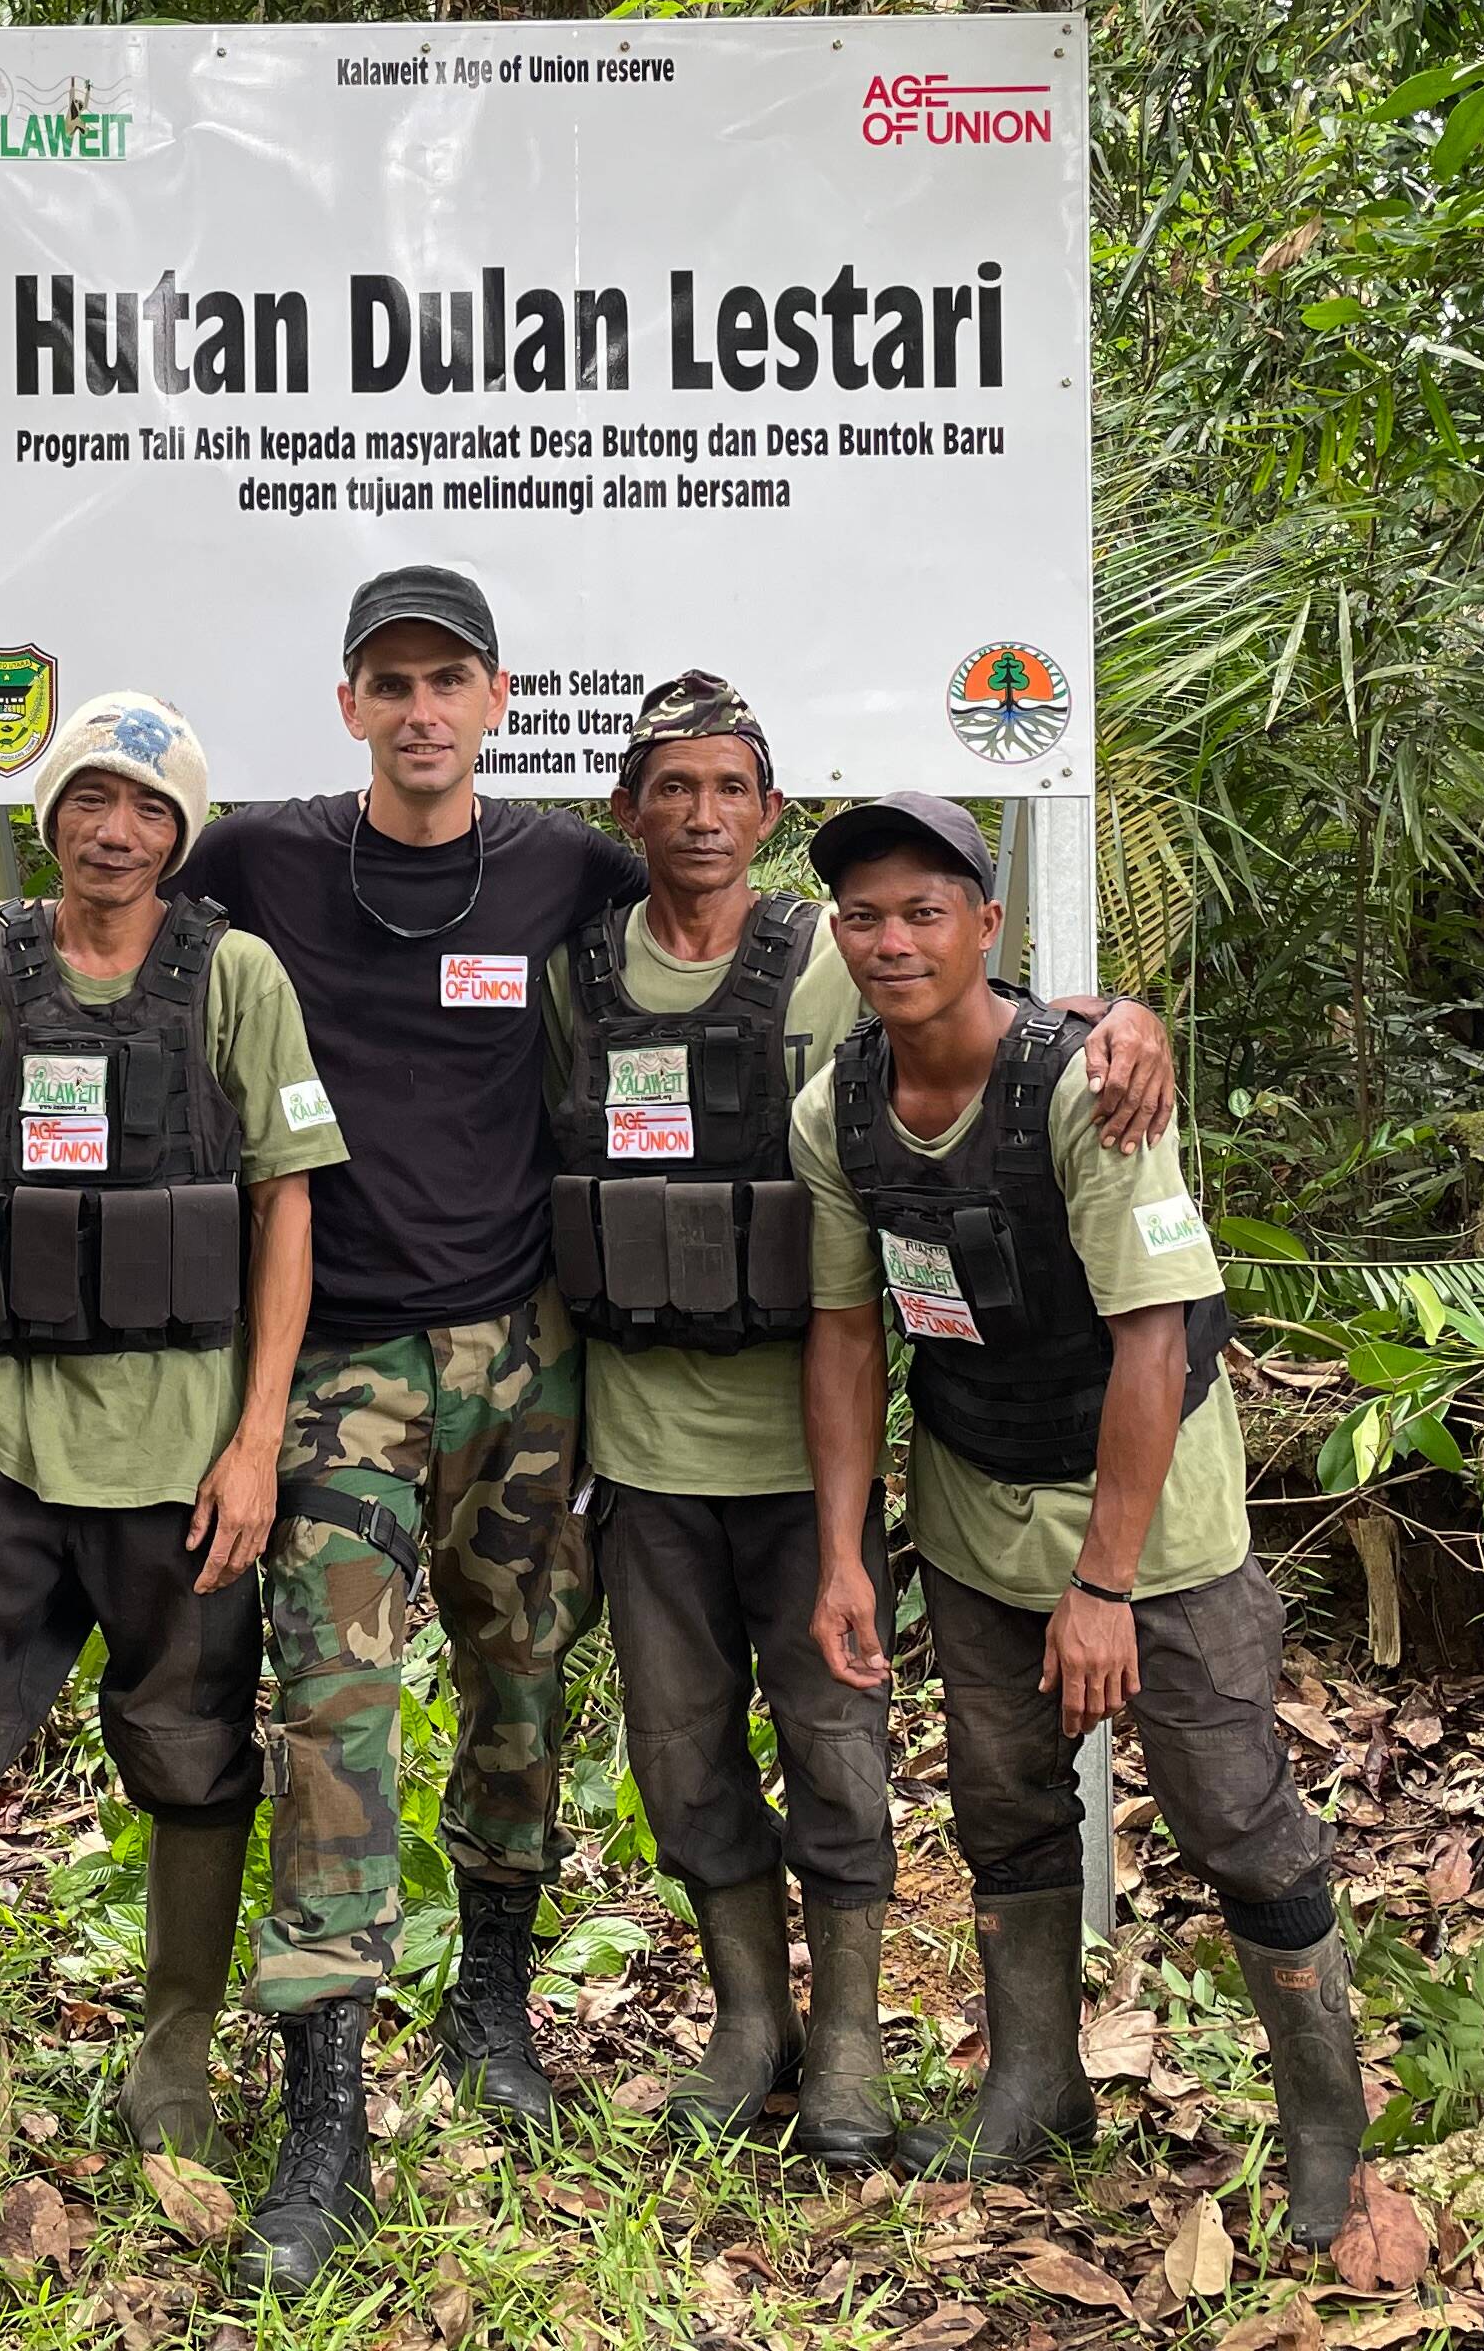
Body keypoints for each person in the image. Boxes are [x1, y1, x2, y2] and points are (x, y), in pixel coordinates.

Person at [542, 677, 1174, 2169]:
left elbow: (980, 1009)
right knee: (681, 1764)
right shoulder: (579, 974)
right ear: (625, 810)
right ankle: (748, 2023)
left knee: (838, 1760)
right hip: (641, 1460)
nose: (699, 815)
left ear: (768, 813)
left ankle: (848, 2060)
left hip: (800, 1465)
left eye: (730, 788)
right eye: (669, 788)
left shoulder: (825, 962)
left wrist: (1126, 1015)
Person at [0, 693, 346, 2229]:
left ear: (180, 832)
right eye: (90, 801)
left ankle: (173, 2062)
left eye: (148, 810)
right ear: (51, 816)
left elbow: (288, 1210)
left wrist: (255, 1443)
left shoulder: (233, 978)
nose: (115, 832)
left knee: (192, 1762)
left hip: (181, 1466)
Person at [794, 794, 1367, 2249]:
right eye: (864, 914)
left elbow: (1156, 1342)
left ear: (989, 928)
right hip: (978, 1496)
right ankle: (1036, 2085)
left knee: (1227, 1800)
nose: (892, 940)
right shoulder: (840, 1111)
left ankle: (1322, 2128)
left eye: (926, 910)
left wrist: (1105, 1585)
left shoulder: (1087, 1092)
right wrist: (850, 1556)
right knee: (1002, 1800)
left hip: (1147, 1511)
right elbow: (851, 1337)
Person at [167, 564, 645, 2294]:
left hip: (521, 1360)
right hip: (334, 1369)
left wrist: (1081, 1019)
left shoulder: (561, 867)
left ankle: (496, 2008)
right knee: (337, 1717)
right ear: (351, 702)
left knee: (522, 1687)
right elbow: (98, 922)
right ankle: (327, 2112)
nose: (423, 708)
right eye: (394, 681)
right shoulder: (262, 859)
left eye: (452, 680)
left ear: (501, 701)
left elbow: (746, 943)